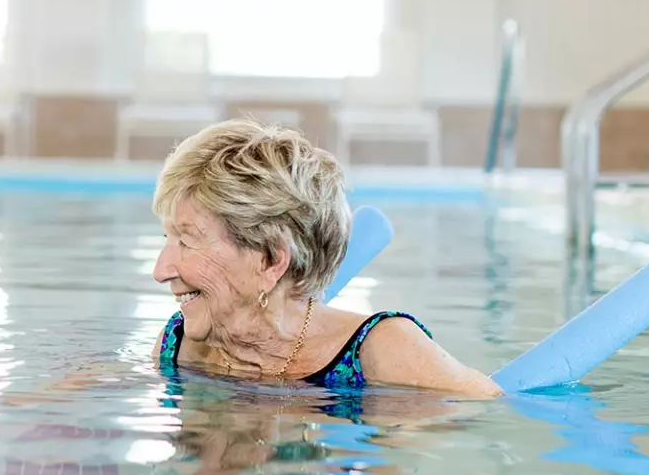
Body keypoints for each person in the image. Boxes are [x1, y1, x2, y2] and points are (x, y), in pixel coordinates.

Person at [152, 119, 498, 396]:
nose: (160, 270)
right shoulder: (179, 347)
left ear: (271, 261)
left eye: (187, 240)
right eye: (168, 237)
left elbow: (485, 416)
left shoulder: (385, 352)